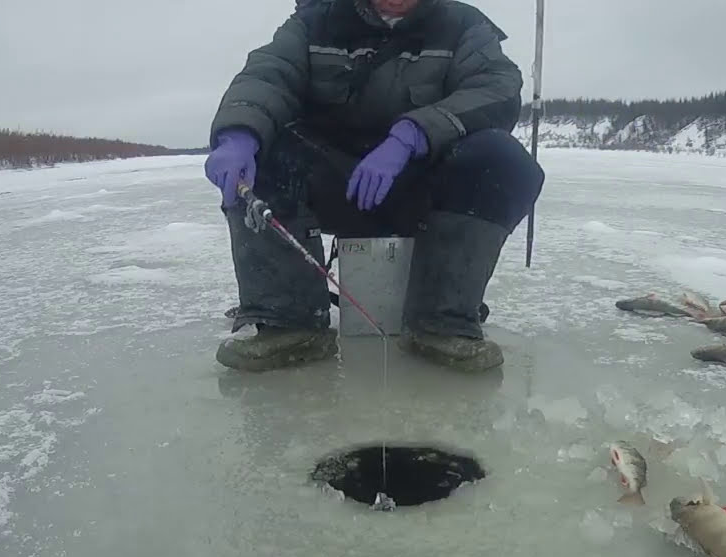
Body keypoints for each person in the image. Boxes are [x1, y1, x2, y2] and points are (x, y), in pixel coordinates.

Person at [204, 0, 545, 373]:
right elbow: (268, 75)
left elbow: (496, 87)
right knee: (266, 152)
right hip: (334, 182)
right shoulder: (314, 21)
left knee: (503, 160)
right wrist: (239, 132)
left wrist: (414, 133)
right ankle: (289, 323)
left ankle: (442, 323)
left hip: (425, 183)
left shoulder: (463, 23)